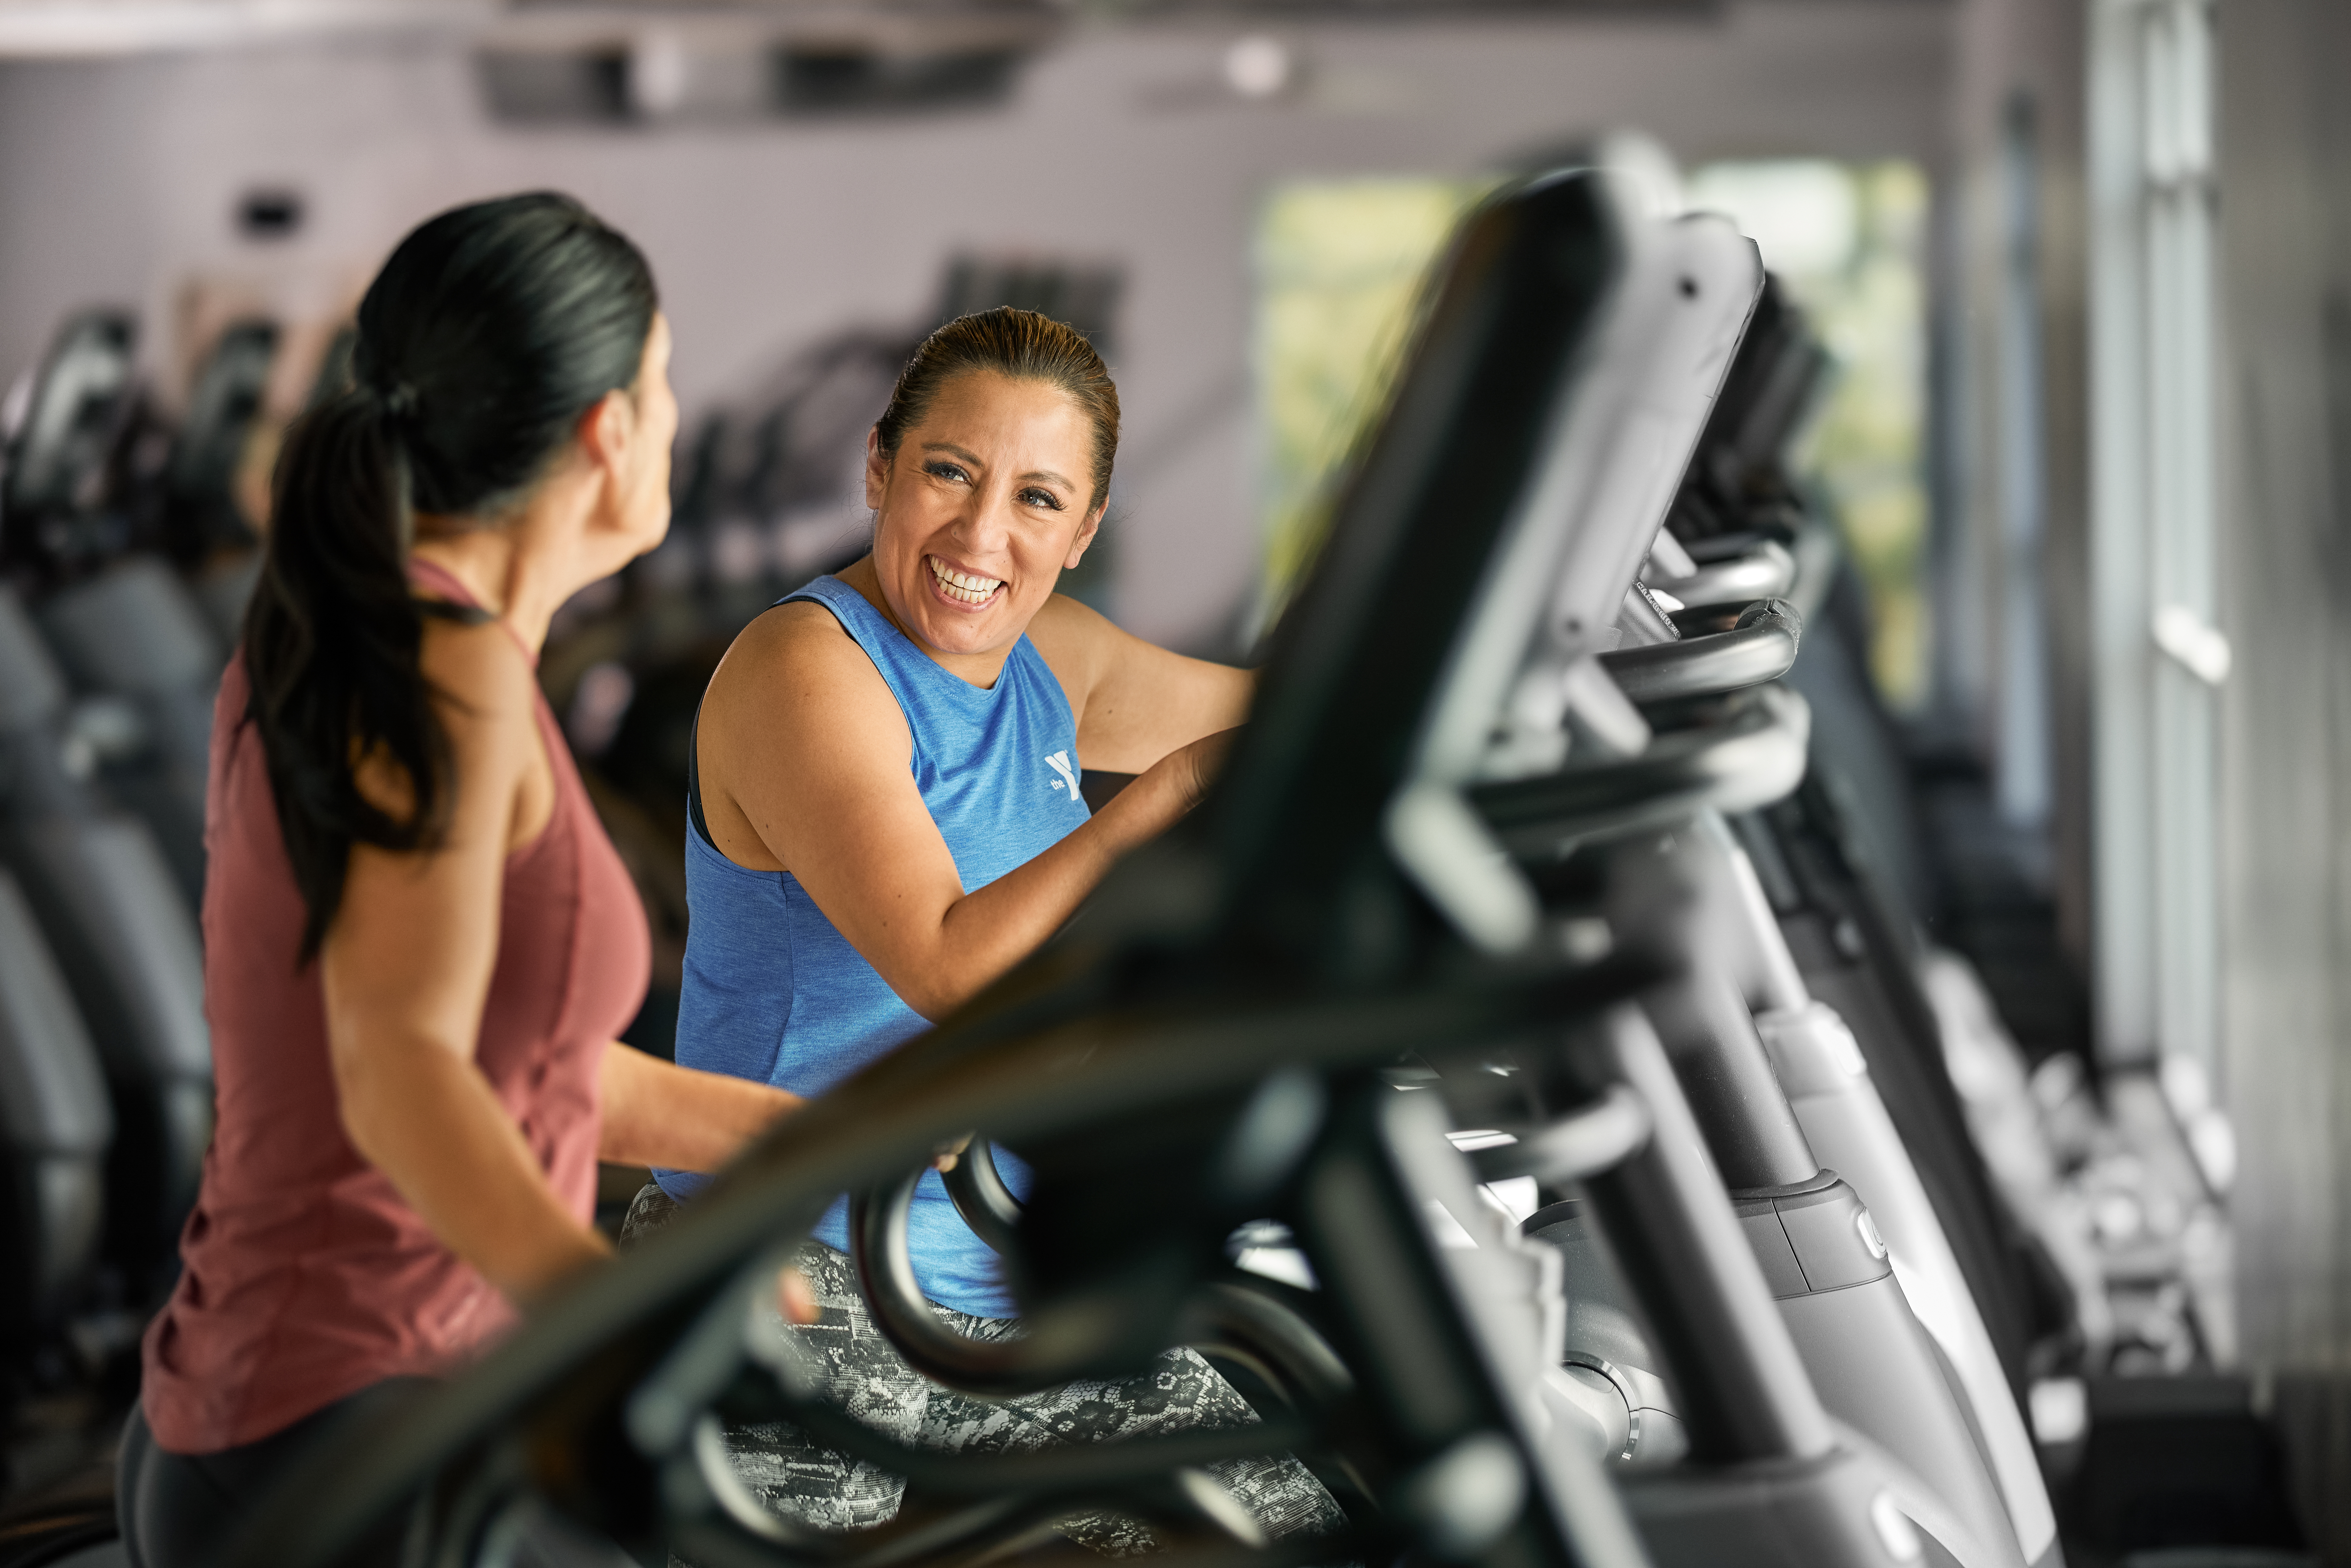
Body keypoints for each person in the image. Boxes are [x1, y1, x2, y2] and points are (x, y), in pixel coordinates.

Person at [121, 193, 804, 1568]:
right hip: (347, 1429)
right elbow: (403, 1072)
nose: (671, 421)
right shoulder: (446, 671)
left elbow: (533, 1071)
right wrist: (619, 1326)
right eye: (663, 386)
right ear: (610, 432)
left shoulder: (426, 652)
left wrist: (832, 1138)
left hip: (320, 1411)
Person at [627, 307, 1342, 1549]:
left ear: (1085, 532)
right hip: (794, 1286)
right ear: (880, 470)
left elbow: (1308, 718)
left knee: (1284, 1528)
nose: (981, 534)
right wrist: (1163, 799)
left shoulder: (1053, 655)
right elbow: (948, 963)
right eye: (950, 473)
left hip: (997, 1286)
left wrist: (1552, 663)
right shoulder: (805, 669)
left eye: (1036, 497)